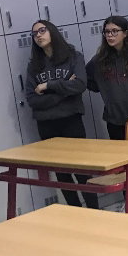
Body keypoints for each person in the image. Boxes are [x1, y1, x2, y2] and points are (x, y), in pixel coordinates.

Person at [24, 20, 98, 208]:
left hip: (70, 121)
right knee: (62, 173)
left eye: (42, 30)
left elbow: (80, 85)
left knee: (82, 169)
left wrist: (48, 86)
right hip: (46, 125)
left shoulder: (73, 56)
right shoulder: (34, 66)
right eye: (35, 33)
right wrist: (64, 91)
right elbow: (32, 99)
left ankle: (95, 212)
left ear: (52, 31)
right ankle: (74, 212)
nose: (38, 35)